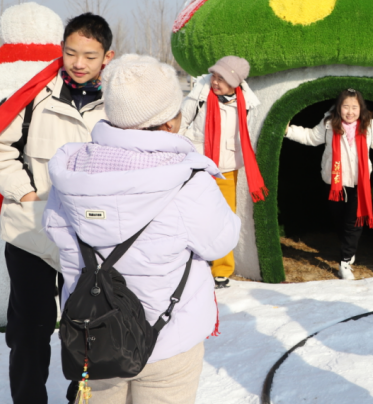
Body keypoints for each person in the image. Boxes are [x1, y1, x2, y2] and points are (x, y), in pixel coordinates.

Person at [43, 54, 241, 404]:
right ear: (169, 122)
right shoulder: (188, 180)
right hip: (168, 338)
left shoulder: (71, 171)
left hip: (94, 334)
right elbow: (221, 241)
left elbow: (53, 231)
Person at [0, 8, 114, 404]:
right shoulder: (34, 95)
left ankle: (79, 398)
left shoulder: (116, 105)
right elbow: (2, 147)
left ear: (107, 57)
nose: (78, 63)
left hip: (89, 239)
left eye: (90, 56)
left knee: (87, 328)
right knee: (29, 330)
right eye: (71, 53)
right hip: (31, 231)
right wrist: (25, 193)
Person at [284, 88, 373, 280]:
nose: (350, 112)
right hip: (335, 184)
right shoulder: (328, 123)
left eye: (354, 107)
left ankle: (344, 263)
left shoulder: (368, 124)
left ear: (361, 108)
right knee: (341, 220)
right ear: (338, 107)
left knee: (353, 223)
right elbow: (311, 137)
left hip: (360, 183)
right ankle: (348, 250)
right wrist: (288, 131)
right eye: (346, 107)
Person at [184, 56, 266, 289]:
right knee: (192, 215)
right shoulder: (200, 93)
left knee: (224, 218)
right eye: (214, 76)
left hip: (226, 169)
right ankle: (189, 264)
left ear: (235, 83)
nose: (215, 82)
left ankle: (221, 269)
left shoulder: (247, 103)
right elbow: (181, 122)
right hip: (197, 164)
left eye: (222, 78)